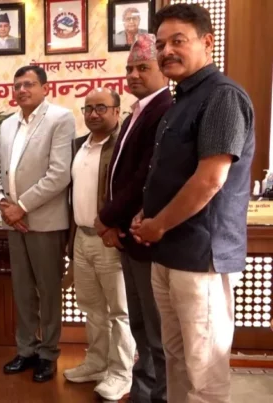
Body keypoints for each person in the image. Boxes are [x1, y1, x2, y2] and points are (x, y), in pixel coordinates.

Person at [132, 4, 254, 402]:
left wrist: (159, 224)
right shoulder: (181, 98)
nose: (166, 51)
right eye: (161, 44)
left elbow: (209, 180)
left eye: (178, 41)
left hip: (201, 256)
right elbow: (172, 174)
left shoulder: (222, 97)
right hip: (168, 251)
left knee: (204, 373)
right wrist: (148, 214)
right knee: (176, 359)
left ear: (207, 42)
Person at [96, 33, 171, 403]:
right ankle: (142, 390)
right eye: (129, 68)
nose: (134, 75)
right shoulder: (136, 113)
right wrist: (113, 222)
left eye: (143, 67)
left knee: (156, 330)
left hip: (146, 236)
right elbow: (119, 176)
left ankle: (159, 395)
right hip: (127, 235)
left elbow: (145, 176)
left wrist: (106, 217)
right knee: (139, 323)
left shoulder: (165, 109)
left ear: (163, 70)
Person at [0, 65, 74, 382]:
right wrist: (3, 202)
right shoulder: (7, 125)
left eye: (29, 84)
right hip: (14, 221)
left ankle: (48, 354)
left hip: (45, 222)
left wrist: (21, 207)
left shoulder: (60, 119)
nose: (22, 90)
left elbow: (59, 174)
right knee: (22, 290)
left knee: (48, 291)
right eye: (17, 85)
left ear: (44, 88)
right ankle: (26, 349)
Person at [66, 88, 135, 401]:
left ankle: (121, 373)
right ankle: (96, 363)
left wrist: (116, 226)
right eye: (88, 108)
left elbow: (131, 192)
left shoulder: (123, 145)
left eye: (101, 108)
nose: (93, 114)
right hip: (81, 237)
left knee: (119, 311)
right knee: (91, 308)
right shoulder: (79, 146)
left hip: (109, 239)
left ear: (117, 111)